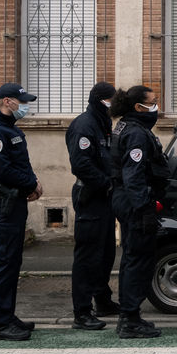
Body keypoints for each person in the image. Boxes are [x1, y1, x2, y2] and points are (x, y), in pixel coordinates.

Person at [0, 83, 43, 341]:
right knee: (4, 264)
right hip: (3, 206)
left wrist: (32, 182)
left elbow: (22, 164)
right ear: (7, 101)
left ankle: (7, 314)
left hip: (15, 203)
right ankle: (0, 324)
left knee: (13, 263)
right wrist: (31, 184)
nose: (25, 106)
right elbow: (3, 171)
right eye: (21, 101)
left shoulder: (11, 130)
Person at [110, 85, 167, 339]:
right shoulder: (135, 133)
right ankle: (130, 319)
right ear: (138, 107)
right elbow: (133, 176)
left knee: (132, 258)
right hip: (134, 203)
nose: (156, 107)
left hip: (128, 200)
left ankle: (129, 315)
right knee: (139, 260)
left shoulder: (127, 126)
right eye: (152, 102)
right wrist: (145, 210)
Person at [65, 80, 120, 330]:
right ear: (101, 101)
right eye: (111, 100)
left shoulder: (102, 123)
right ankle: (82, 312)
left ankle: (103, 301)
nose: (113, 105)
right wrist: (106, 184)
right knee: (88, 256)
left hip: (103, 197)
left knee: (105, 254)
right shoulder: (84, 125)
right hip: (91, 197)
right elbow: (81, 164)